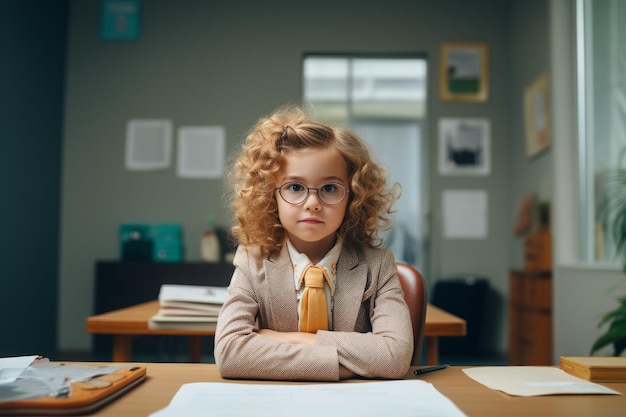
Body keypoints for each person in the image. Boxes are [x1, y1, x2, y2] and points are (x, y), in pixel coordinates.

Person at [214, 105, 414, 381]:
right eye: (295, 187)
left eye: (330, 188)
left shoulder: (378, 267)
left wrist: (297, 340)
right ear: (270, 195)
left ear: (354, 196)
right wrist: (340, 366)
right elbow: (229, 353)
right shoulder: (252, 262)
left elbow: (394, 357)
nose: (312, 204)